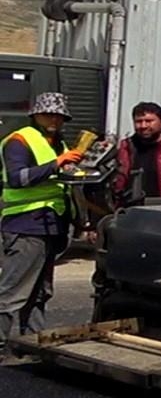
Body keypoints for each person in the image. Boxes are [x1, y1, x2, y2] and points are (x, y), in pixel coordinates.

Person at [0, 93, 84, 338]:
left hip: (51, 225)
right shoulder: (19, 141)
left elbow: (62, 185)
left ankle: (33, 342)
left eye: (59, 116)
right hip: (26, 225)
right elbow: (18, 179)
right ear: (35, 115)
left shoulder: (57, 142)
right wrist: (57, 163)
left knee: (39, 291)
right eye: (48, 114)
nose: (54, 120)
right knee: (13, 291)